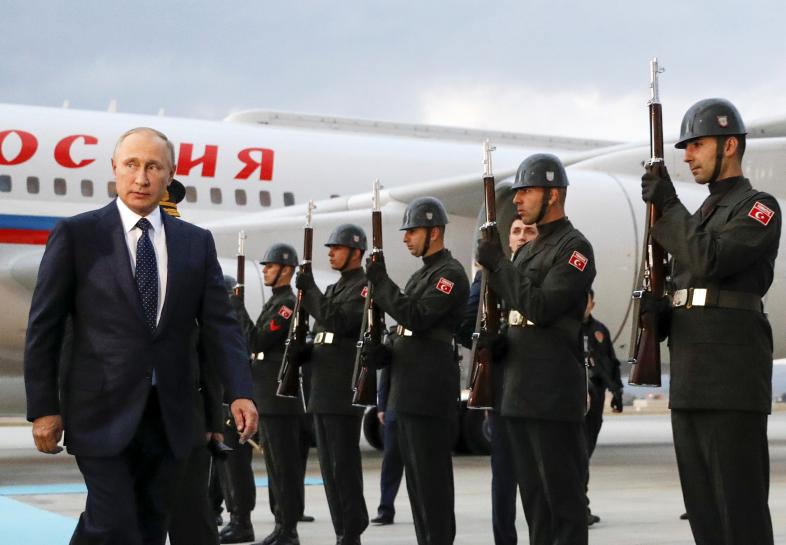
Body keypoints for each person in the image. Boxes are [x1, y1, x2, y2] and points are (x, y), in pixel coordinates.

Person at [24, 127, 257, 545]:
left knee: (149, 526)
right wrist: (43, 408)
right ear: (114, 168)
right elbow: (45, 326)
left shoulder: (195, 243)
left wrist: (240, 390)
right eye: (131, 164)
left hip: (171, 415)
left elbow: (222, 325)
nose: (141, 177)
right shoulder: (78, 235)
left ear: (170, 174)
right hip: (100, 411)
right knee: (113, 522)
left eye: (153, 166)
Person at [640, 98, 780, 545]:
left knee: (739, 515)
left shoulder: (758, 208)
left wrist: (668, 203)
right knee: (704, 516)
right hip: (691, 379)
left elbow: (709, 258)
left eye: (697, 144)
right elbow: (690, 281)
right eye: (685, 146)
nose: (687, 156)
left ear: (731, 146)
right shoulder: (699, 216)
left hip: (731, 381)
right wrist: (661, 313)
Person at [476, 153, 595, 545]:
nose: (519, 199)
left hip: (552, 391)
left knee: (563, 502)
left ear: (555, 195)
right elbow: (514, 310)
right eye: (518, 192)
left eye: (527, 191)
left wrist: (499, 265)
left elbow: (541, 307)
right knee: (535, 504)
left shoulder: (574, 248)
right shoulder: (528, 250)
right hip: (519, 390)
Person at [365, 196, 470, 545]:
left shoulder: (450, 275)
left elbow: (418, 317)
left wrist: (382, 283)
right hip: (407, 393)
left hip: (429, 394)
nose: (406, 238)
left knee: (433, 486)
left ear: (435, 231)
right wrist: (382, 352)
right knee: (417, 489)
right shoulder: (422, 275)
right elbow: (404, 329)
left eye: (412, 231)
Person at [457, 215, 537, 545]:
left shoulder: (545, 271)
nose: (520, 236)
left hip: (538, 387)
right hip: (503, 385)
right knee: (503, 479)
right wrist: (486, 341)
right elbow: (466, 324)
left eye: (527, 230)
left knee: (537, 479)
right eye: (515, 231)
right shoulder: (490, 276)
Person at [295, 224, 370, 545]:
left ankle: (352, 528)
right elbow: (323, 328)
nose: (331, 253)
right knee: (328, 468)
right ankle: (342, 529)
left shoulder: (364, 287)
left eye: (336, 248)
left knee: (343, 466)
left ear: (356, 252)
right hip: (322, 390)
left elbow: (339, 322)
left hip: (342, 390)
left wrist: (309, 290)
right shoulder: (336, 288)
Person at [228, 243, 305, 545]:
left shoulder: (286, 304)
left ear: (286, 270)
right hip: (266, 393)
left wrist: (237, 310)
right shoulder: (276, 302)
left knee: (283, 468)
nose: (265, 271)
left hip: (278, 397)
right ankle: (281, 526)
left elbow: (257, 341)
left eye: (270, 266)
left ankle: (289, 529)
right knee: (275, 466)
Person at [581, 288, 623, 526]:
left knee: (585, 452)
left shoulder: (599, 331)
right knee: (576, 455)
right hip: (574, 398)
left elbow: (610, 363)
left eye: (587, 302)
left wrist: (617, 391)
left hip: (595, 398)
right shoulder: (567, 329)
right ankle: (578, 506)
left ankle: (581, 503)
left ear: (592, 305)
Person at [370, 364, 403, 525]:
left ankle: (423, 510)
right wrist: (381, 407)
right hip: (394, 412)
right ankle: (385, 509)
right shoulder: (393, 339)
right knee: (390, 464)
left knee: (419, 467)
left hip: (417, 412)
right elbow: (386, 376)